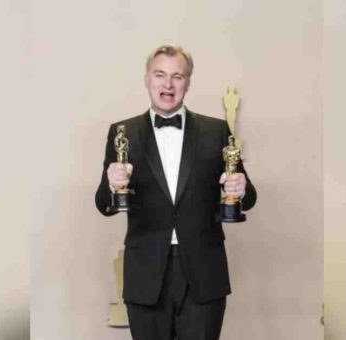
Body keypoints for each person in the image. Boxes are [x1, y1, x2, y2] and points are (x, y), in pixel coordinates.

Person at [95, 44, 257, 340]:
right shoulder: (122, 133)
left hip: (204, 272)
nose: (168, 84)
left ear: (188, 83)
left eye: (177, 76)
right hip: (146, 272)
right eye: (160, 75)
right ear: (147, 79)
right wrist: (110, 183)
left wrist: (241, 190)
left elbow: (249, 196)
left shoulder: (217, 131)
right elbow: (103, 203)